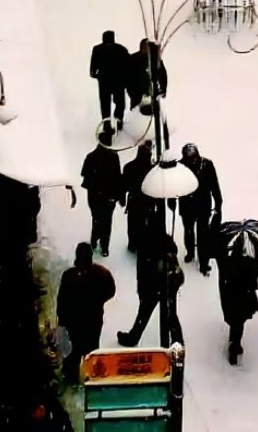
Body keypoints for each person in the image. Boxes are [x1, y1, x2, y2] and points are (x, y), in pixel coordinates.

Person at [56, 242, 116, 382]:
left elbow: (62, 301)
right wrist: (98, 300)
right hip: (93, 321)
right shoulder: (101, 274)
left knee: (73, 352)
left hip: (74, 323)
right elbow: (111, 290)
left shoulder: (69, 276)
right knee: (91, 350)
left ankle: (70, 377)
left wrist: (62, 320)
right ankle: (93, 377)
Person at [118, 227, 184, 347]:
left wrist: (142, 291)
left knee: (145, 312)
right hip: (169, 280)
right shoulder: (162, 238)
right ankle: (177, 342)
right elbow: (174, 249)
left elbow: (142, 271)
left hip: (155, 282)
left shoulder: (144, 243)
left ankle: (133, 338)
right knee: (170, 313)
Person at [174, 143, 222, 275]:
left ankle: (204, 263)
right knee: (189, 231)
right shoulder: (180, 166)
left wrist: (218, 201)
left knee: (203, 235)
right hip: (187, 204)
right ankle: (190, 252)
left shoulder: (207, 165)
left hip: (202, 205)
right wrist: (172, 200)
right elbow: (174, 185)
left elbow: (214, 184)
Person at [81, 139, 124, 258]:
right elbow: (118, 178)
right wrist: (118, 196)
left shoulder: (91, 156)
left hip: (95, 196)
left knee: (96, 219)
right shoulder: (114, 158)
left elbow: (84, 174)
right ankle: (104, 246)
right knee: (107, 221)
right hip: (109, 196)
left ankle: (94, 240)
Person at [217, 251, 258, 366]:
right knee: (240, 320)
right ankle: (235, 344)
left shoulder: (229, 254)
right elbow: (256, 270)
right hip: (245, 293)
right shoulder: (250, 254)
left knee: (235, 318)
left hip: (232, 291)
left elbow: (223, 270)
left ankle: (234, 342)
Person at [89, 30, 130, 129]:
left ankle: (107, 124)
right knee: (120, 104)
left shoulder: (97, 49)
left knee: (105, 104)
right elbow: (129, 64)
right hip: (118, 81)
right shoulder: (121, 49)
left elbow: (92, 69)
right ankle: (118, 122)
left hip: (104, 81)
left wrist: (96, 74)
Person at [122, 142, 154, 254]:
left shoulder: (129, 167)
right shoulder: (152, 169)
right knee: (144, 224)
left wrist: (121, 198)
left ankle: (134, 244)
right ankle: (141, 244)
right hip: (146, 200)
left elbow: (124, 185)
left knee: (134, 224)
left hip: (136, 200)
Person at [128, 38, 167, 112]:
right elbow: (128, 79)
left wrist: (163, 90)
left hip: (153, 96)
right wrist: (134, 96)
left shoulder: (155, 60)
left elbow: (163, 75)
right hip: (137, 97)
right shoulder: (133, 59)